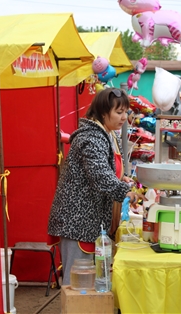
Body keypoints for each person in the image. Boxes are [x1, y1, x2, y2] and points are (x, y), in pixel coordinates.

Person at [47, 87, 145, 285]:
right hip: (78, 222)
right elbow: (100, 176)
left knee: (91, 283)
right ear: (102, 112)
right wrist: (125, 192)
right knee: (77, 284)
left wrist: (122, 178)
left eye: (125, 112)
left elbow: (108, 169)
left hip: (93, 220)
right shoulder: (90, 137)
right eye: (119, 112)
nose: (124, 117)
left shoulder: (109, 134)